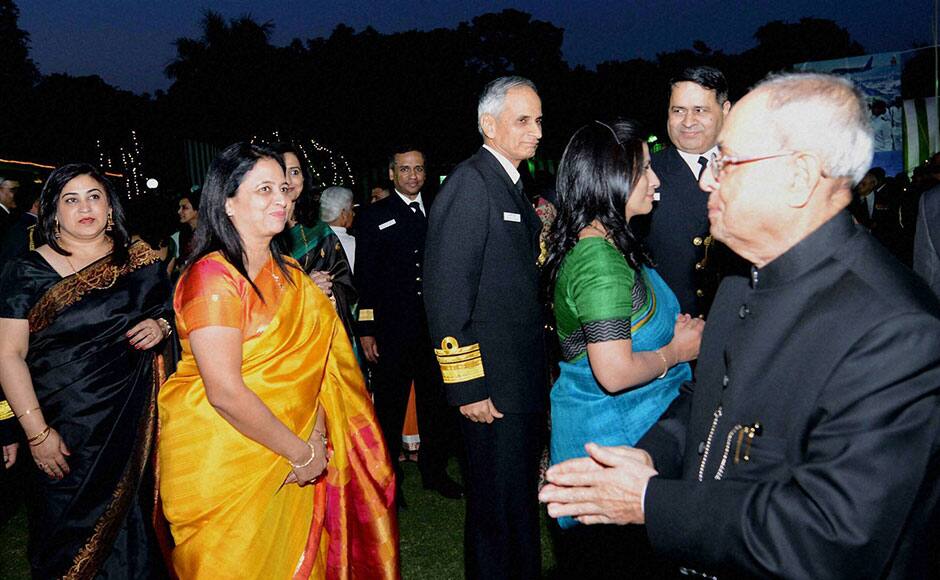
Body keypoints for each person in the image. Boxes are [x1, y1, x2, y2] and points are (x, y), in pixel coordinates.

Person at [540, 73, 940, 579]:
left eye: (726, 162)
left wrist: (653, 501)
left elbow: (832, 536)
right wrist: (643, 458)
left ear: (798, 176)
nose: (707, 179)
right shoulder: (739, 285)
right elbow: (706, 405)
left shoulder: (897, 330)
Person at [157, 142, 397, 579]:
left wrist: (315, 441)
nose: (281, 200)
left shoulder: (288, 272)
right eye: (263, 189)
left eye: (284, 189)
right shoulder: (213, 277)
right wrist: (299, 455)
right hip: (227, 460)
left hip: (294, 447)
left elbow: (314, 369)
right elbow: (225, 392)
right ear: (227, 202)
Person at [0, 163, 172, 578]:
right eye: (70, 200)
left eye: (94, 196)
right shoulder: (26, 271)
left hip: (133, 427)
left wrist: (161, 325)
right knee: (65, 545)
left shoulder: (139, 259)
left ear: (110, 206)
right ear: (53, 212)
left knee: (138, 537)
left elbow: (169, 311)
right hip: (62, 432)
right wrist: (36, 434)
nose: (85, 208)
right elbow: (7, 356)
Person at [424, 76, 547, 579]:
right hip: (490, 390)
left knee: (517, 510)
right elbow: (446, 295)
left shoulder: (508, 184)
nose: (536, 130)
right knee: (496, 517)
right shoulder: (471, 185)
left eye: (539, 119)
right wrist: (467, 385)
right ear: (488, 124)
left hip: (517, 383)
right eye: (523, 120)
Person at [355, 146, 463, 506]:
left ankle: (434, 472)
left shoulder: (440, 210)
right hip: (392, 330)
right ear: (391, 173)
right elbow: (365, 277)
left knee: (436, 405)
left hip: (434, 328)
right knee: (390, 407)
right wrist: (366, 329)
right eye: (405, 169)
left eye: (418, 169)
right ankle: (390, 481)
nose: (412, 176)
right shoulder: (374, 216)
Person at [642, 66, 745, 318]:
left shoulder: (749, 169)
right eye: (678, 111)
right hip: (670, 330)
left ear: (726, 109)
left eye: (700, 110)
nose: (688, 122)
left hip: (740, 326)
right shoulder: (642, 173)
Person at [275, 143, 358, 345]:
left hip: (327, 332)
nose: (288, 179)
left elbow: (345, 283)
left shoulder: (319, 230)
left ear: (304, 178)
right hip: (285, 341)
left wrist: (329, 288)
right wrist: (306, 286)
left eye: (295, 172)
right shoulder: (262, 232)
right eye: (281, 171)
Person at [320, 186, 357, 273]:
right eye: (352, 209)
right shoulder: (354, 244)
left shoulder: (310, 240)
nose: (354, 214)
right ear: (343, 213)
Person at [176, 188, 200, 265]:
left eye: (184, 208)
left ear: (197, 210)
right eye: (179, 208)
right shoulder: (184, 233)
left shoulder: (208, 233)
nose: (179, 211)